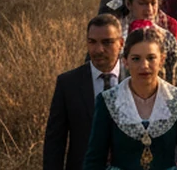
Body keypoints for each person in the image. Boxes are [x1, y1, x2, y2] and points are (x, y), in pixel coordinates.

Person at [82, 26, 177, 170]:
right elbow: (94, 159)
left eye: (151, 58)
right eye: (136, 59)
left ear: (162, 60)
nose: (144, 65)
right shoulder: (109, 101)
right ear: (125, 61)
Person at [43, 14, 123, 170]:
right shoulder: (68, 83)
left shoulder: (136, 80)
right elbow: (55, 141)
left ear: (121, 43)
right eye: (92, 42)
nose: (98, 49)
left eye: (106, 42)